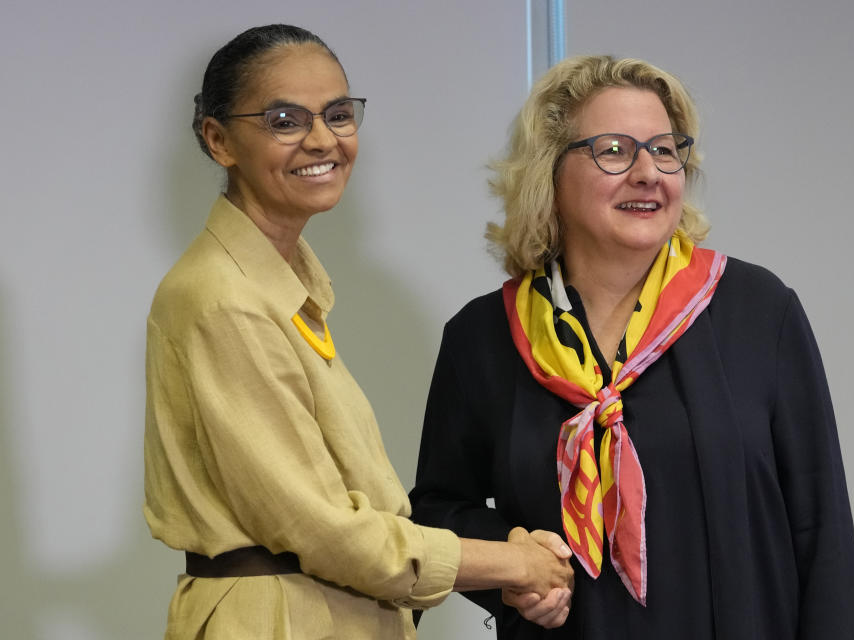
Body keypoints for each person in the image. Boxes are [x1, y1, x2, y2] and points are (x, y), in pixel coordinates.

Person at [409, 55, 854, 638]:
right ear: (550, 171)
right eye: (615, 150)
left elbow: (820, 529)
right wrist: (513, 568)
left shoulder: (757, 310)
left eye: (665, 149)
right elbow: (439, 510)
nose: (649, 173)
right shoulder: (484, 337)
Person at [143, 24, 573, 640]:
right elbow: (323, 529)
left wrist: (505, 557)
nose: (323, 139)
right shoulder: (223, 298)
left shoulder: (284, 286)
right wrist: (510, 562)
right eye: (284, 119)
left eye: (338, 114)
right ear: (219, 139)